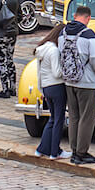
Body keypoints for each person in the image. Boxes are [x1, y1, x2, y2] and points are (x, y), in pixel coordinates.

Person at [60, 5, 95, 165]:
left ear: (75, 15)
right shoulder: (88, 35)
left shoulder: (62, 33)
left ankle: (74, 149)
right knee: (88, 118)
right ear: (88, 18)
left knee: (74, 116)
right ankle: (82, 153)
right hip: (87, 83)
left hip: (69, 81)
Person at [32, 27, 69, 159]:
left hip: (47, 87)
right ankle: (55, 151)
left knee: (52, 119)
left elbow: (39, 72)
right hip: (57, 87)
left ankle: (41, 149)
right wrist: (68, 71)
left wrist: (41, 89)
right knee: (59, 119)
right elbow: (57, 72)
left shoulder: (42, 48)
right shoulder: (54, 50)